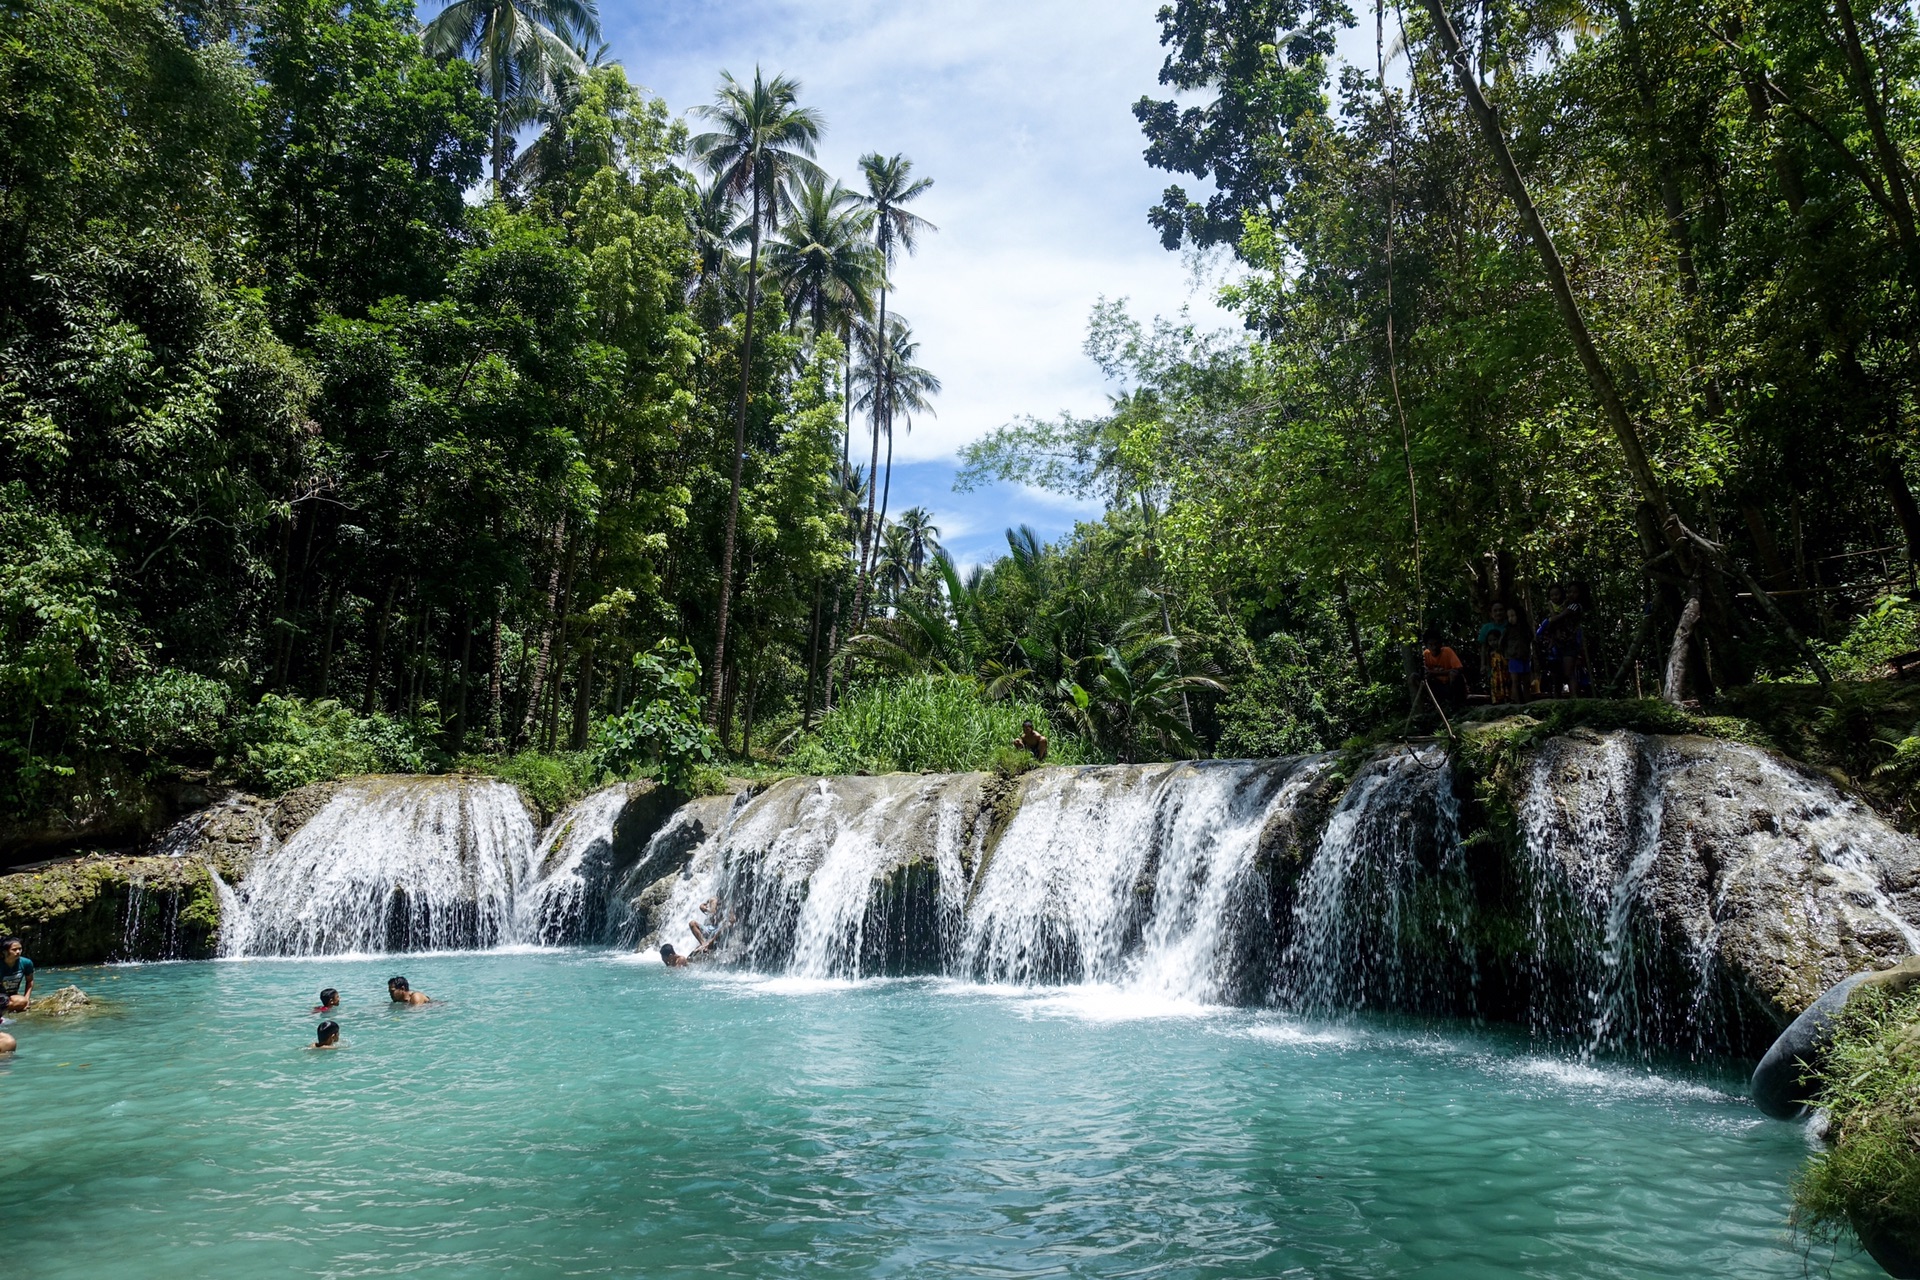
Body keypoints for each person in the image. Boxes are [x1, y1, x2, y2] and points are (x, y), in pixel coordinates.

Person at [1421, 630, 1467, 711]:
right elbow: (1425, 673)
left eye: (1436, 644)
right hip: (1438, 687)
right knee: (1416, 677)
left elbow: (1459, 669)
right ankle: (1430, 705)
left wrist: (1434, 673)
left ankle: (1456, 704)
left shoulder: (1447, 651)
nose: (1434, 647)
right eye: (1431, 645)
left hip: (1451, 686)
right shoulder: (1426, 655)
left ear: (1440, 644)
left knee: (1454, 674)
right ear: (1426, 645)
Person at [1477, 608, 1509, 703]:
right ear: (1491, 613)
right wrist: (1483, 665)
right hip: (1494, 670)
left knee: (1507, 682)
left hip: (1506, 665)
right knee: (1494, 683)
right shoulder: (1486, 627)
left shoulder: (1509, 625)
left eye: (1500, 610)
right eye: (1495, 610)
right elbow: (1483, 648)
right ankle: (1496, 700)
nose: (1498, 612)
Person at [1504, 607, 1533, 702]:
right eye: (1509, 617)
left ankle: (1527, 701)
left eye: (1513, 616)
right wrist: (1508, 654)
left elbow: (1531, 638)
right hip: (1513, 657)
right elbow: (1501, 643)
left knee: (1526, 682)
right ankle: (1516, 702)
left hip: (1525, 656)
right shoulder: (1508, 629)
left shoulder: (1525, 628)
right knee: (1515, 681)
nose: (1510, 619)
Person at [1, 937, 33, 1013]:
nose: (18, 952)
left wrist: (27, 999)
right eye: (14, 950)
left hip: (11, 996)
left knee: (22, 1001)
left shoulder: (26, 963)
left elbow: (30, 981)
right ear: (4, 951)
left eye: (20, 949)